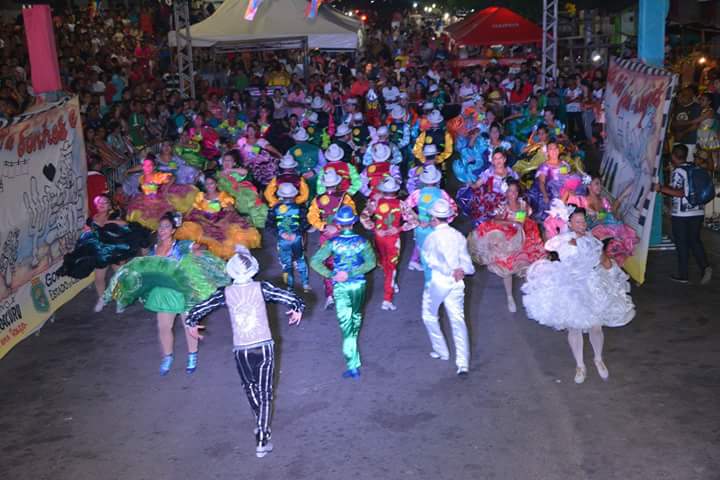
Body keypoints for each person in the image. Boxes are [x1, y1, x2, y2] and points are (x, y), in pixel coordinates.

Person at [185, 247, 305, 458]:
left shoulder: (225, 293)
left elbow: (199, 309)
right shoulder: (262, 288)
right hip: (263, 345)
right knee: (265, 392)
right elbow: (290, 297)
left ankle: (260, 424)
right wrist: (298, 308)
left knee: (250, 388)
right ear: (253, 270)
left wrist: (191, 322)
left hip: (241, 349)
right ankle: (262, 438)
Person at [103, 213, 229, 375]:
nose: (162, 230)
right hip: (163, 294)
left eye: (166, 227)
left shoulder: (181, 246)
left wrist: (198, 251)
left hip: (183, 292)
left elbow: (201, 246)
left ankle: (192, 355)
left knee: (189, 325)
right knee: (163, 327)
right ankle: (167, 357)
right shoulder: (153, 250)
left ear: (173, 230)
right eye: (160, 227)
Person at [521, 207, 636, 384]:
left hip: (592, 284)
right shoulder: (564, 240)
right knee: (575, 327)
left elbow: (603, 260)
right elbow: (551, 246)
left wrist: (613, 274)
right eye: (578, 222)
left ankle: (598, 358)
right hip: (572, 286)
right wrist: (566, 236)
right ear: (570, 223)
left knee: (596, 326)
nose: (582, 225)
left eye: (583, 221)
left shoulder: (592, 239)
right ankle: (580, 365)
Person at [310, 205, 376, 379]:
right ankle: (354, 354)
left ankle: (352, 366)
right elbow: (371, 263)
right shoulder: (363, 242)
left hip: (341, 286)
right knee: (356, 317)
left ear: (338, 224)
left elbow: (315, 261)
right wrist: (353, 273)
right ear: (353, 223)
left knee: (346, 326)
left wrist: (332, 274)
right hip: (359, 285)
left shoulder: (332, 242)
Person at [60, 194, 151, 312]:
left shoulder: (114, 215)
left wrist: (109, 221)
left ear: (109, 206)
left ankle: (122, 299)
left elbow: (125, 224)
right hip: (100, 252)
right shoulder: (92, 219)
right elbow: (87, 234)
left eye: (105, 202)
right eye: (99, 202)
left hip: (115, 250)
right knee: (99, 278)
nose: (102, 204)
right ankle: (102, 299)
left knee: (121, 277)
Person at [467, 179, 545, 313]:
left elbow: (522, 220)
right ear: (506, 193)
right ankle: (509, 296)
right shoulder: (503, 206)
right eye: (510, 191)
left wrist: (518, 222)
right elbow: (496, 220)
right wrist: (510, 223)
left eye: (515, 191)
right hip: (507, 240)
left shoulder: (523, 204)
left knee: (527, 267)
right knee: (506, 269)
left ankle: (532, 298)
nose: (513, 194)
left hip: (524, 236)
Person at [420, 199, 475, 376]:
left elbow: (431, 260)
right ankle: (463, 363)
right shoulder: (458, 236)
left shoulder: (431, 238)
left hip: (439, 282)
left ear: (435, 219)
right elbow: (467, 263)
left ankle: (441, 350)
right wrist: (461, 271)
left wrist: (450, 271)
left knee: (429, 314)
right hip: (457, 283)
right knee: (458, 320)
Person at [653, 144, 713, 284]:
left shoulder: (679, 171)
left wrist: (661, 188)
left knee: (682, 243)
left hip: (682, 214)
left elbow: (680, 193)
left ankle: (683, 275)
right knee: (694, 240)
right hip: (698, 211)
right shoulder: (695, 168)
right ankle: (705, 267)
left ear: (674, 156)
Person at [176, 176, 261, 259]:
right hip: (205, 222)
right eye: (207, 184)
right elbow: (196, 209)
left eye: (211, 183)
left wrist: (228, 207)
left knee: (230, 234)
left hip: (220, 221)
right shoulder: (200, 196)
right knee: (194, 230)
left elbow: (230, 207)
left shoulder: (223, 195)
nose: (209, 186)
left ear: (216, 184)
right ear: (204, 185)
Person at [360, 176, 412, 311]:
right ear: (396, 190)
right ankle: (387, 299)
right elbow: (414, 221)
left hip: (379, 237)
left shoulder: (374, 202)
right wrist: (399, 229)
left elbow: (363, 217)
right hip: (393, 239)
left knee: (384, 261)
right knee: (391, 267)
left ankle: (390, 281)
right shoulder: (401, 204)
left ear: (382, 190)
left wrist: (374, 228)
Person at [268, 183, 311, 292]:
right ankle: (305, 284)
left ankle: (289, 286)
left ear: (280, 196)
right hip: (296, 238)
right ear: (294, 195)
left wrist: (281, 233)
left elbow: (269, 225)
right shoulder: (300, 208)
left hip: (282, 239)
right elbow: (306, 223)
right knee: (300, 259)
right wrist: (297, 232)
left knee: (286, 263)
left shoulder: (274, 209)